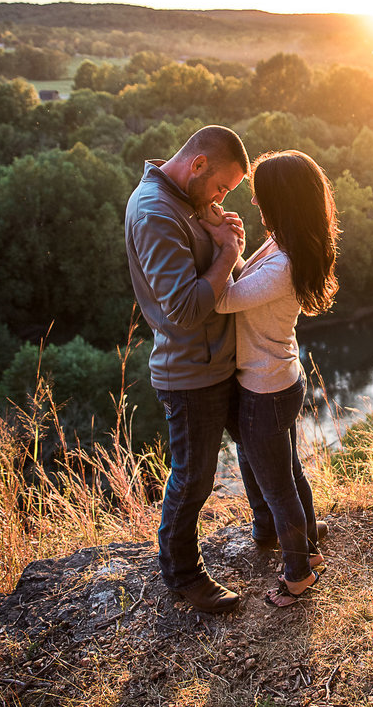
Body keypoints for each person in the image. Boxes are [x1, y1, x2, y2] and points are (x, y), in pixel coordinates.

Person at [124, 124, 270, 612]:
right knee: (194, 477)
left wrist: (229, 240)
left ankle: (273, 527)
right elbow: (185, 307)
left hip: (223, 360)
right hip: (190, 372)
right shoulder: (155, 212)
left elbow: (224, 283)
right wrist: (228, 252)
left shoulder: (186, 203)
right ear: (198, 164)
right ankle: (183, 575)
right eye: (223, 187)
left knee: (258, 446)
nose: (223, 197)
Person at [215, 150, 340, 607]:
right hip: (280, 379)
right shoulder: (283, 245)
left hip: (266, 387)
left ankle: (298, 575)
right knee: (288, 472)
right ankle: (307, 549)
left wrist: (225, 248)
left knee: (277, 485)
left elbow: (224, 300)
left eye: (260, 196)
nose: (255, 204)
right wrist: (234, 246)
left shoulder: (282, 263)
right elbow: (250, 282)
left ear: (279, 201)